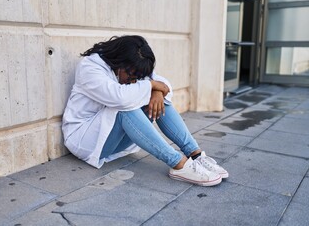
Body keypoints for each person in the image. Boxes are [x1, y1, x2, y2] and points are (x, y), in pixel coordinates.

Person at [62, 35, 228, 186]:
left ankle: (196, 155)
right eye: (131, 76)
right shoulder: (90, 67)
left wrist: (156, 91)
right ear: (119, 62)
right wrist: (151, 86)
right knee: (125, 107)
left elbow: (164, 84)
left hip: (111, 138)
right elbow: (119, 98)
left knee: (158, 100)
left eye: (137, 77)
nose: (133, 80)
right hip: (84, 140)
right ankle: (179, 164)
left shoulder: (130, 67)